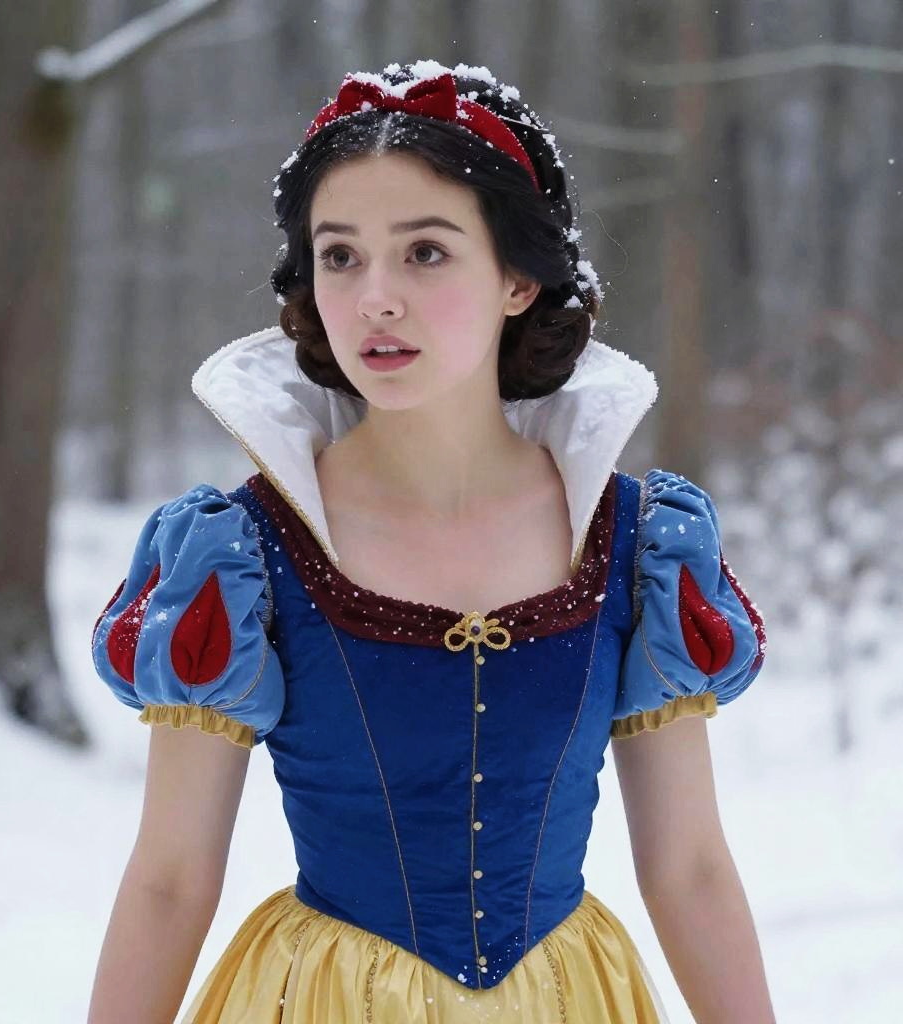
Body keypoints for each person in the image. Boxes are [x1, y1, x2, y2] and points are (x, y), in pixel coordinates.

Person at [87, 59, 776, 1024]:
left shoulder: (634, 546)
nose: (375, 297)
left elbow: (691, 867)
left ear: (519, 280)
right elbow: (169, 876)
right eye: (340, 255)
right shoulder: (243, 555)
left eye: (425, 253)